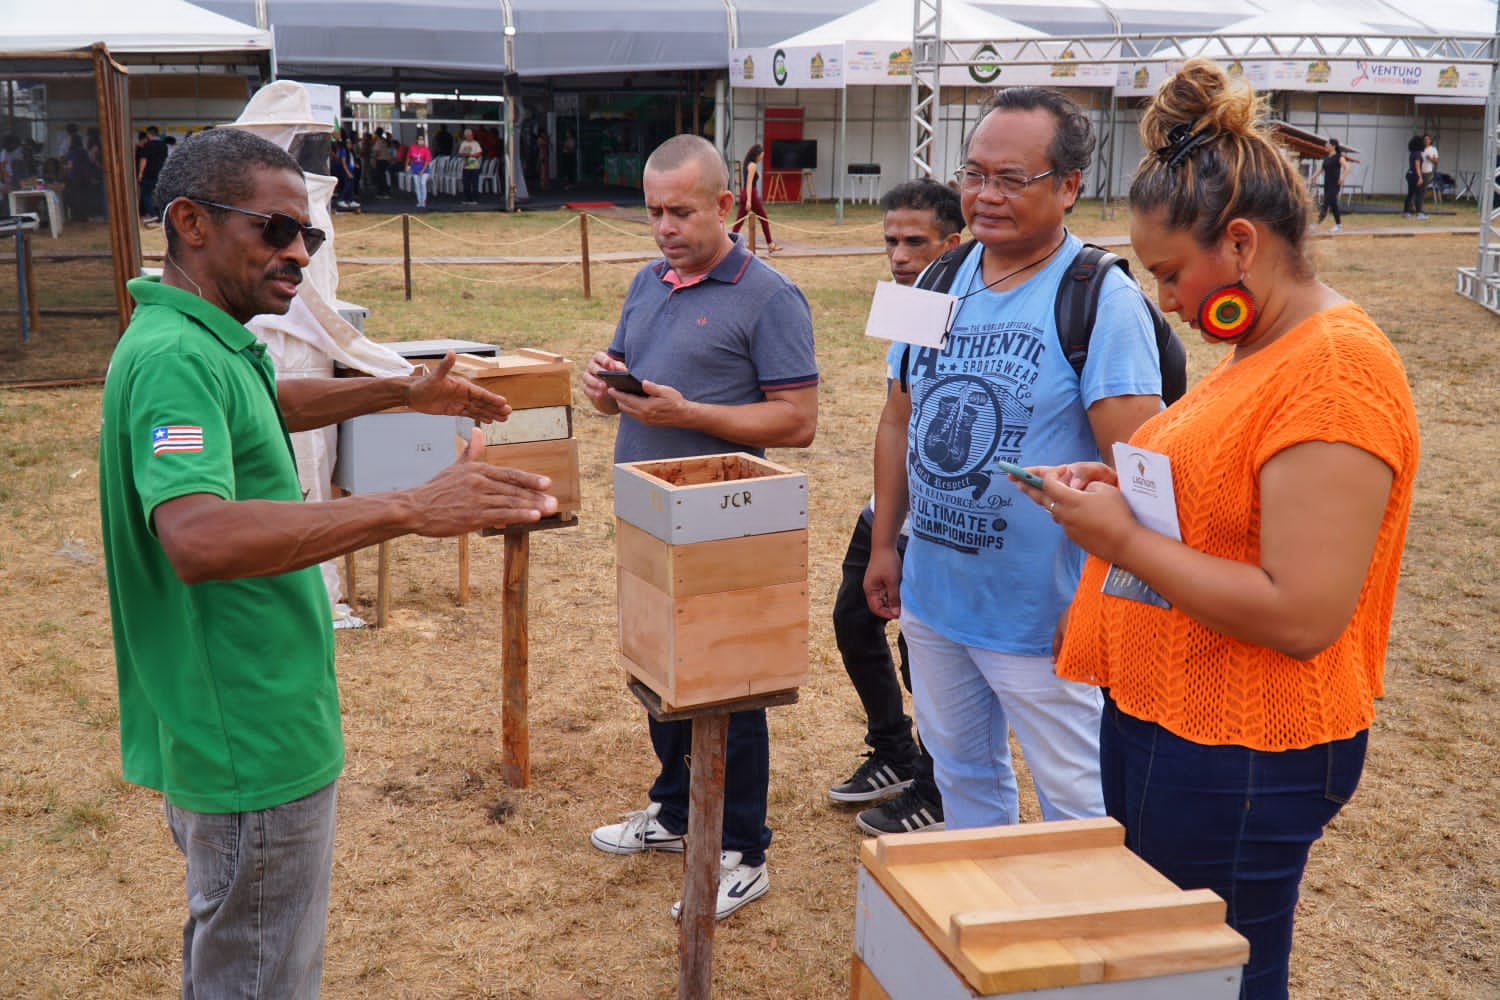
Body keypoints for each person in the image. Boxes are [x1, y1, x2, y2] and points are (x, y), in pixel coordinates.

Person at [98, 126, 557, 997]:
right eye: (274, 230)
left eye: (307, 234)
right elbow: (197, 537)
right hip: (249, 735)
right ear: (191, 221)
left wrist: (397, 390)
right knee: (261, 978)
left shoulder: (206, 343)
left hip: (238, 717)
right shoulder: (173, 359)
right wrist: (408, 508)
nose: (299, 253)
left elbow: (265, 402)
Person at [1007, 58, 1419, 1000]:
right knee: (1170, 969)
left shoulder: (1335, 374)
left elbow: (1302, 611)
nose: (1166, 301)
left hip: (1242, 754)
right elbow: (1233, 506)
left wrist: (1121, 540)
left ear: (1239, 244)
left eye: (1169, 273)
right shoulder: (1263, 347)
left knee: (1214, 978)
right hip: (1181, 726)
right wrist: (1119, 485)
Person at [862, 87, 1165, 832]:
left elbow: (1139, 472)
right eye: (974, 174)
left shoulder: (1100, 296)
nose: (985, 196)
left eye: (1011, 179)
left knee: (1080, 804)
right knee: (962, 777)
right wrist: (883, 544)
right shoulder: (934, 278)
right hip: (935, 599)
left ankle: (1091, 939)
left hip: (1044, 612)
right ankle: (987, 926)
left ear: (1068, 186)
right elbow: (898, 415)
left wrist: (1098, 603)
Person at [582, 134, 818, 922]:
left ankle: (743, 848)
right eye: (653, 212)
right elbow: (623, 368)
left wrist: (690, 414)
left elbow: (798, 420)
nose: (663, 228)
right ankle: (679, 811)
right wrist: (602, 387)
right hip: (649, 512)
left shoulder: (770, 296)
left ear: (724, 206)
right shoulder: (648, 283)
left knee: (731, 683)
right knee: (657, 667)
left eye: (680, 211)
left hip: (725, 522)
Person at [225, 80, 414, 626]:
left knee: (312, 479)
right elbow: (309, 306)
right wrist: (386, 366)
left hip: (302, 360)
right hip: (280, 358)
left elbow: (320, 299)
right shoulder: (266, 213)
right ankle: (312, 599)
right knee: (291, 483)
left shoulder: (306, 203)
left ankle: (314, 592)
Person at [829, 178, 963, 836]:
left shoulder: (973, 312)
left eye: (917, 241)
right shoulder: (911, 308)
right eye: (891, 241)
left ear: (954, 242)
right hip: (891, 507)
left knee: (925, 651)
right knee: (853, 620)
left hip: (939, 521)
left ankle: (940, 786)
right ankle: (895, 749)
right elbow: (896, 416)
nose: (901, 254)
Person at [730, 143, 782, 253]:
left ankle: (729, 242)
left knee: (739, 221)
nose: (762, 157)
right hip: (751, 194)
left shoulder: (747, 164)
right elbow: (749, 183)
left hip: (745, 194)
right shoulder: (752, 165)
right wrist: (749, 200)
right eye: (762, 155)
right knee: (764, 218)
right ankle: (770, 244)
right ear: (757, 155)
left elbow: (750, 178)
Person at [1309, 139, 1348, 233]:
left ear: (1333, 146)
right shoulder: (1326, 158)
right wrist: (1311, 178)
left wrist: (1342, 178)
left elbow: (1347, 168)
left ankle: (1316, 224)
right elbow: (1320, 170)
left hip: (1335, 185)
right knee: (1333, 205)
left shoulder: (1339, 157)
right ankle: (1338, 225)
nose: (1325, 145)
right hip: (1327, 184)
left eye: (1327, 144)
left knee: (1326, 203)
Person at [137, 125, 169, 223]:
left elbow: (144, 160)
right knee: (158, 195)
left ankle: (153, 214)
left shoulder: (148, 145)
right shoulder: (164, 145)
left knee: (146, 195)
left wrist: (140, 173)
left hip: (148, 174)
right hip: (160, 173)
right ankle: (161, 215)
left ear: (148, 134)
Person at [1403, 135, 1427, 219]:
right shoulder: (1417, 153)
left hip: (1410, 174)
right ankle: (1419, 213)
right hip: (1415, 175)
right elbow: (1417, 165)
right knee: (1419, 194)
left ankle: (1406, 212)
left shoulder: (1412, 153)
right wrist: (1420, 177)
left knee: (1410, 194)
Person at [408, 131, 433, 209]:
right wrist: (407, 165)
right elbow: (409, 157)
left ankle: (424, 201)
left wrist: (422, 170)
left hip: (424, 170)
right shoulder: (412, 147)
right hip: (415, 169)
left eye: (422, 139)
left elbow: (427, 161)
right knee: (417, 185)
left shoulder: (426, 149)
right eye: (419, 139)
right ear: (416, 140)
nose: (421, 141)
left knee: (422, 183)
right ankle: (419, 201)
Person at [458, 127, 482, 205]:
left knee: (474, 183)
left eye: (470, 135)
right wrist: (464, 154)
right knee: (466, 183)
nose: (469, 137)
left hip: (474, 166)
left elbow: (479, 153)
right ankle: (467, 199)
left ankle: (475, 199)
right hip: (466, 166)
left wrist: (471, 154)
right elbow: (460, 153)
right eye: (467, 135)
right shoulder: (463, 143)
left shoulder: (476, 143)